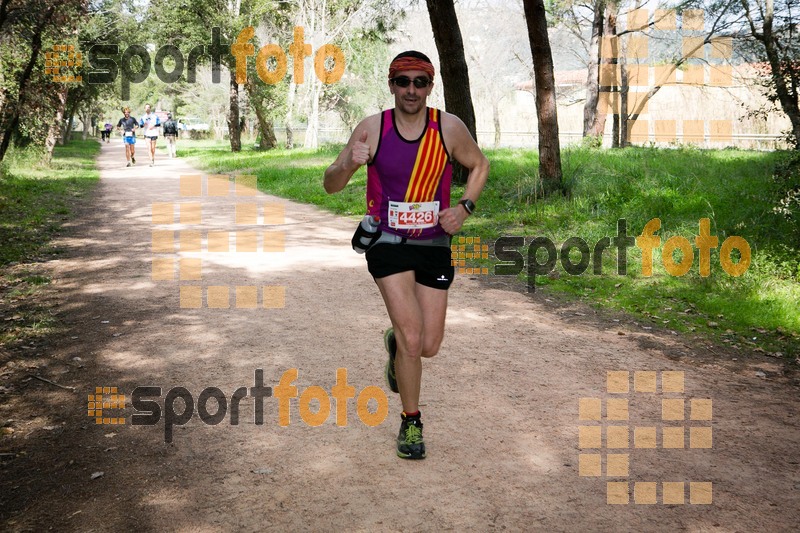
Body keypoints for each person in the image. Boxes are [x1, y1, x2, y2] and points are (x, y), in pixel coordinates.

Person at [323, 51, 489, 460]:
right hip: (387, 244)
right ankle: (411, 421)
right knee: (413, 340)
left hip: (433, 244)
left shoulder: (447, 127)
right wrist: (348, 161)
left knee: (429, 345)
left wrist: (464, 208)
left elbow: (480, 164)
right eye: (403, 81)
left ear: (430, 86)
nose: (411, 89)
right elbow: (330, 184)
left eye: (420, 82)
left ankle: (394, 345)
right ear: (391, 84)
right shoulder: (372, 128)